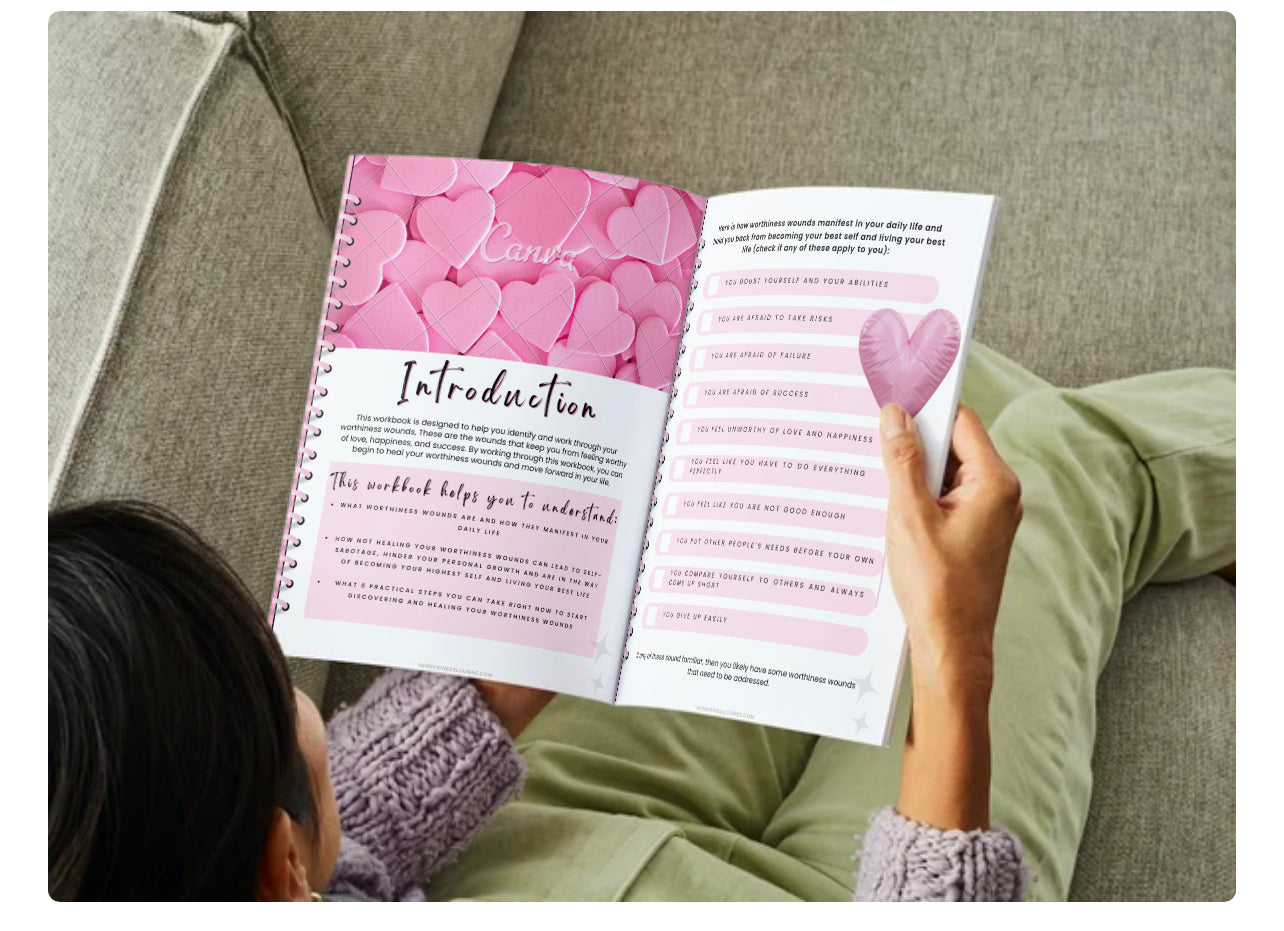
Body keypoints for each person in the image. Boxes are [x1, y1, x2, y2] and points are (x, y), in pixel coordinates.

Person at [48, 347, 1235, 901]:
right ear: (277, 860)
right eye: (280, 677)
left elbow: (376, 806)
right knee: (1054, 458)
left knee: (902, 401)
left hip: (544, 839)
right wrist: (954, 655)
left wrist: (583, 521)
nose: (301, 670)